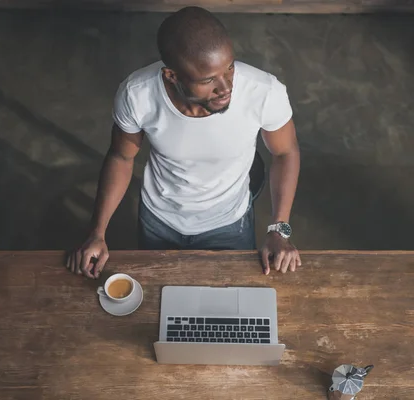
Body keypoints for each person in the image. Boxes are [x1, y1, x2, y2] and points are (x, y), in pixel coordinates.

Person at [66, 6, 301, 278]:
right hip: (159, 219)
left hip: (229, 223)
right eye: (209, 79)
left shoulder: (264, 92)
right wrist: (97, 232)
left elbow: (285, 153)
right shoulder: (137, 95)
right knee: (160, 297)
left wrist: (279, 229)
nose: (226, 88)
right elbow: (121, 156)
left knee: (229, 302)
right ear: (172, 76)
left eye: (229, 68)